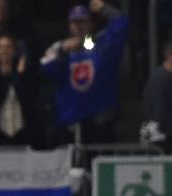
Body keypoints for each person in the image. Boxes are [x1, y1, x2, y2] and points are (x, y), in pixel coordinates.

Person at [39, 1, 129, 145]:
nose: (79, 26)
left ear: (91, 23)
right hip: (72, 124)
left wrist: (105, 9)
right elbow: (45, 67)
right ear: (69, 25)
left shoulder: (102, 46)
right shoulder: (60, 49)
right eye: (75, 22)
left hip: (100, 121)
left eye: (83, 22)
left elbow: (121, 24)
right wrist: (62, 51)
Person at [0, 33, 40, 146]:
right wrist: (3, 75)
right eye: (1, 47)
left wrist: (20, 75)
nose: (4, 51)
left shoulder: (24, 74)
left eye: (8, 47)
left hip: (22, 132)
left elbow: (28, 98)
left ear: (15, 50)